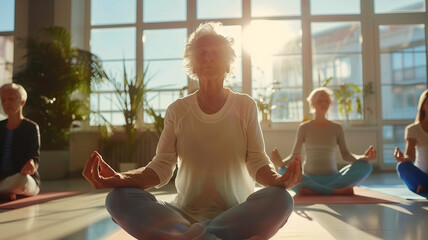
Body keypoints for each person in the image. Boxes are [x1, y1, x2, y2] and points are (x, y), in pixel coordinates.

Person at [82, 22, 302, 240]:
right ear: (192, 64)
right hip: (182, 215)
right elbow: (161, 167)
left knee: (282, 200)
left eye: (216, 53)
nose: (208, 58)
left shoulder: (245, 105)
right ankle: (212, 236)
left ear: (228, 63)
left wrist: (277, 180)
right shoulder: (178, 110)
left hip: (236, 213)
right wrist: (121, 178)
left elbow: (256, 161)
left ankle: (188, 237)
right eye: (201, 53)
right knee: (117, 199)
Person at [270, 87, 376, 195]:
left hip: (333, 178)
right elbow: (295, 154)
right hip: (309, 177)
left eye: (326, 101)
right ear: (313, 104)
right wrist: (281, 163)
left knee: (366, 166)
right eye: (320, 101)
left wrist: (362, 158)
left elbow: (346, 155)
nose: (324, 103)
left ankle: (315, 190)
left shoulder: (337, 128)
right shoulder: (304, 127)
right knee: (282, 171)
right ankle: (334, 191)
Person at [0, 83, 41, 201]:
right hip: (2, 179)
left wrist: (31, 165)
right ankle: (7, 192)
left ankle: (6, 191)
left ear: (22, 101)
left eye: (11, 99)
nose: (7, 103)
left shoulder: (31, 127)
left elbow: (34, 158)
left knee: (22, 181)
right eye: (3, 100)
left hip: (21, 178)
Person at [394, 89, 428, 194]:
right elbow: (410, 156)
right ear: (423, 106)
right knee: (402, 167)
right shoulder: (412, 129)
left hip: (423, 183)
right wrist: (403, 158)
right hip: (421, 176)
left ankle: (424, 188)